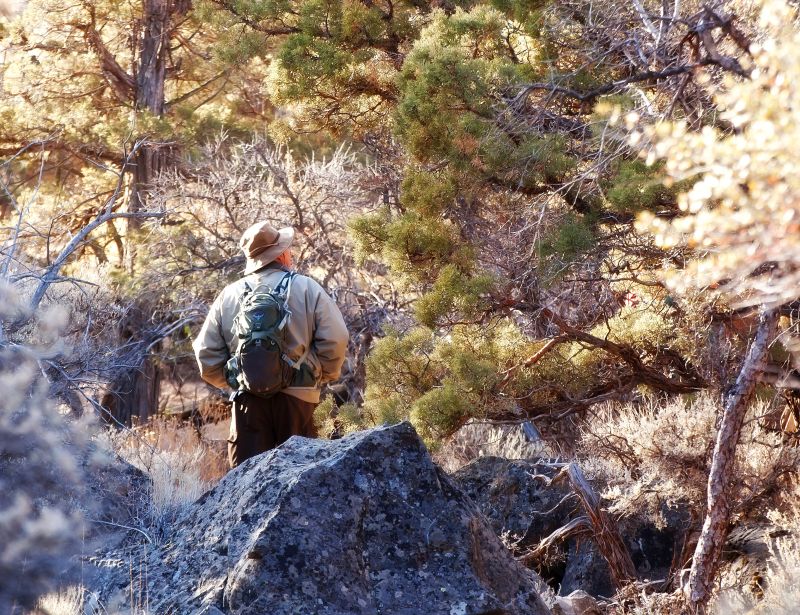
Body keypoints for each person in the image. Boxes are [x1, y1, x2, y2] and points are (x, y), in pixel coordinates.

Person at [193, 221, 349, 468]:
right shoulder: (306, 287)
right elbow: (336, 338)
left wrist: (243, 379)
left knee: (248, 491)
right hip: (300, 403)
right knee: (302, 482)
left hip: (248, 406)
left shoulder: (229, 294)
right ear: (282, 254)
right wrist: (316, 374)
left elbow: (206, 356)